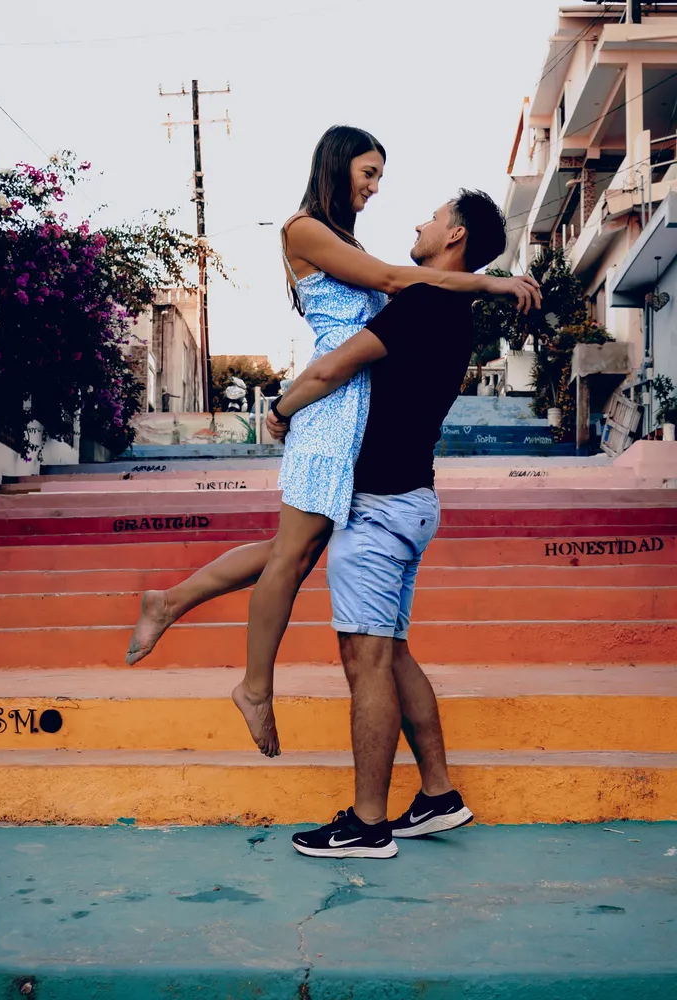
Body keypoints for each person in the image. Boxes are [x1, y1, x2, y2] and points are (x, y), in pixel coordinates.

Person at [126, 126, 540, 761]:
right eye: (368, 173)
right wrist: (490, 282)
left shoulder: (345, 237)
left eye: (379, 178)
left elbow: (397, 285)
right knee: (292, 555)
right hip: (330, 406)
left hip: (352, 407)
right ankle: (255, 688)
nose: (374, 189)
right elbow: (395, 283)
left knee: (293, 548)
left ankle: (172, 600)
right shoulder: (303, 228)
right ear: (339, 164)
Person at [266, 189, 508, 858]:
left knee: (365, 659)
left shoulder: (424, 303)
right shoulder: (452, 309)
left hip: (378, 510)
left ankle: (368, 823)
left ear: (454, 235)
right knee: (393, 653)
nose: (419, 223)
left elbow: (333, 367)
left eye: (432, 217)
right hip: (412, 501)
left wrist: (282, 410)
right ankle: (438, 796)